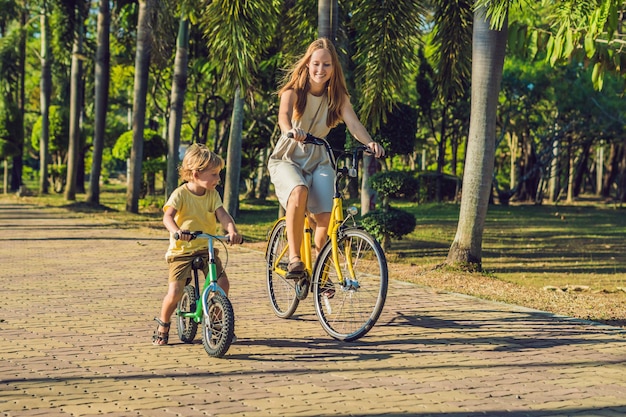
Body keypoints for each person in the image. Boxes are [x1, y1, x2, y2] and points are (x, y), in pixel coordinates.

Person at [268, 37, 385, 278]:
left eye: (327, 65)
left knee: (326, 216)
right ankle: (295, 259)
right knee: (298, 191)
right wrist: (290, 130)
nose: (321, 70)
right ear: (308, 65)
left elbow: (354, 124)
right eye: (316, 64)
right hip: (288, 156)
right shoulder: (293, 91)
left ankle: (322, 275)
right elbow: (283, 116)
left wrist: (369, 142)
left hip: (320, 158)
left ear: (334, 69)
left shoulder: (338, 97)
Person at [153, 143, 243, 346]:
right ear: (195, 174)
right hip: (182, 251)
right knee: (175, 292)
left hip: (206, 248)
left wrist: (232, 231)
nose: (218, 180)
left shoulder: (212, 195)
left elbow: (223, 215)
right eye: (214, 174)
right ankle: (164, 323)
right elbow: (167, 217)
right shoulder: (180, 194)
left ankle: (219, 324)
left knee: (222, 284)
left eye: (219, 174)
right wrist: (177, 231)